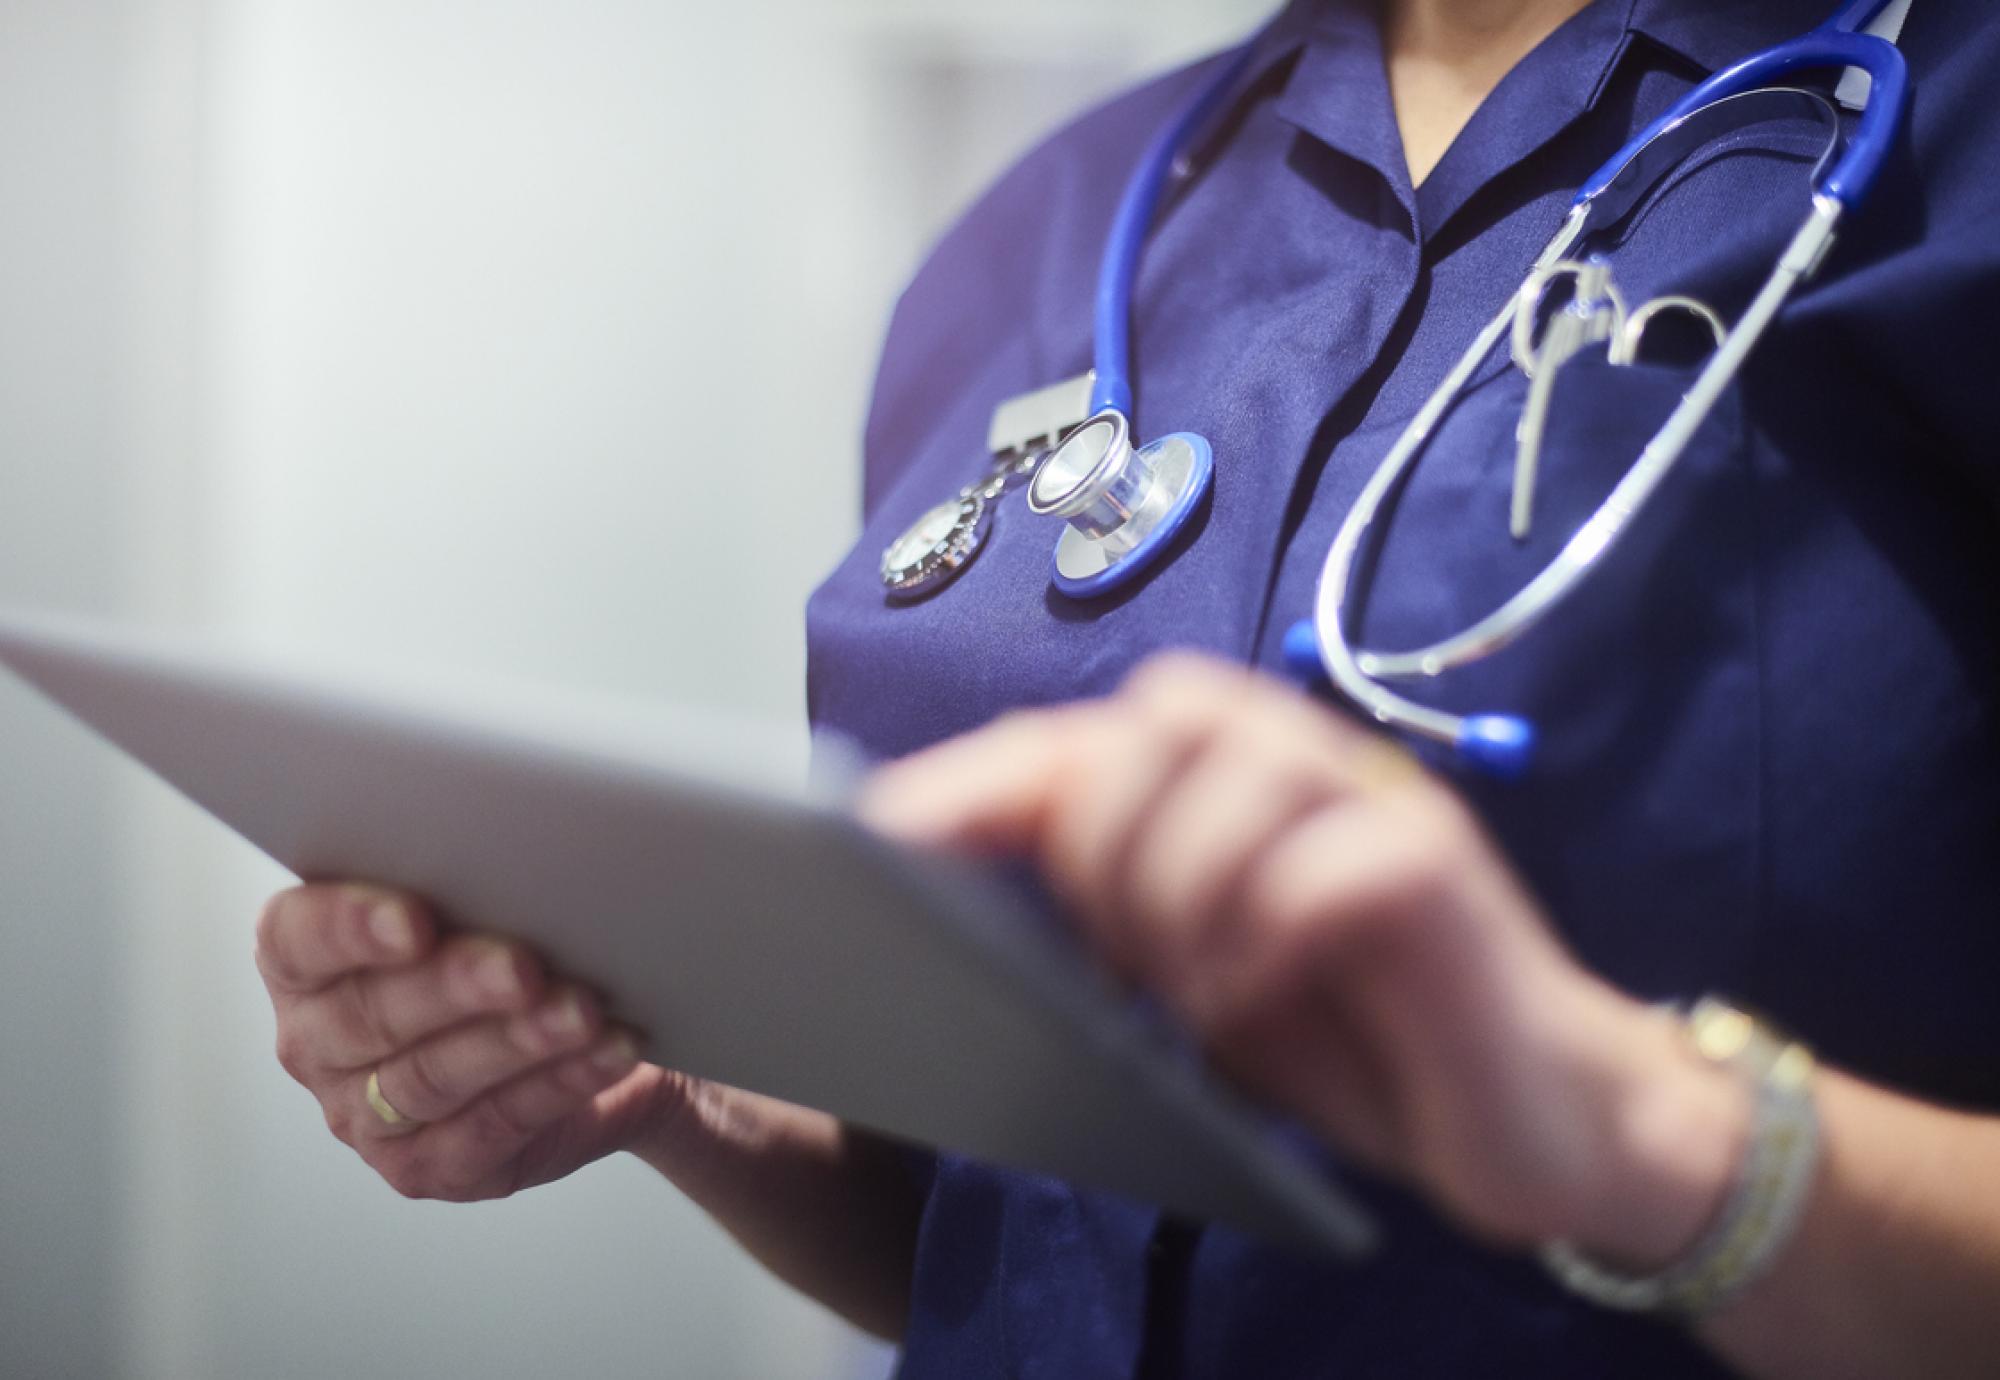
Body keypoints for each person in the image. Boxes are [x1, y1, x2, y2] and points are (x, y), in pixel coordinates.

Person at [251, 0, 2000, 1374]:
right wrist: (667, 1095)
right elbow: (989, 1224)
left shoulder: (1956, 135)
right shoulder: (1049, 224)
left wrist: (1644, 1134)